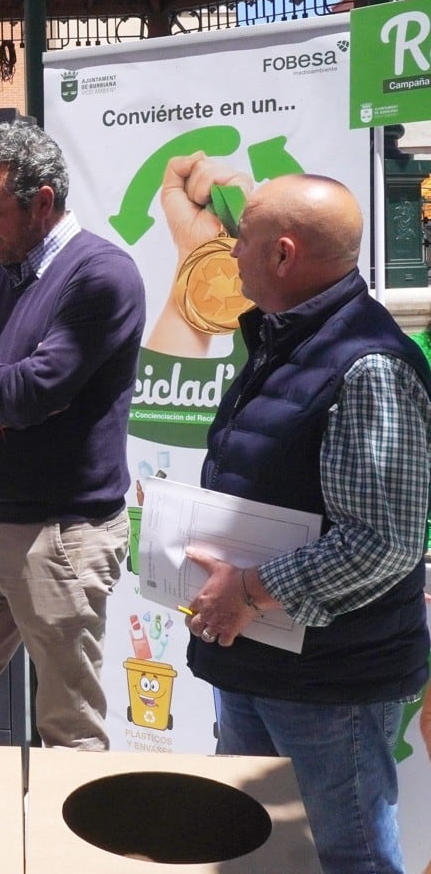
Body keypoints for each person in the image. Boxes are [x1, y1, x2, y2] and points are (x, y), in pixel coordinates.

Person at [182, 174, 431, 874]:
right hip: (258, 654)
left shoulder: (367, 366)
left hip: (329, 678)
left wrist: (253, 589)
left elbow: (384, 541)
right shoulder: (287, 338)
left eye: (244, 239)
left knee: (346, 857)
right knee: (259, 849)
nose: (230, 251)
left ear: (284, 255)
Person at [0, 118, 144, 749]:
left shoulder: (101, 274)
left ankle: (69, 849)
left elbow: (30, 393)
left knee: (67, 726)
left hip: (61, 537)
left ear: (42, 202)